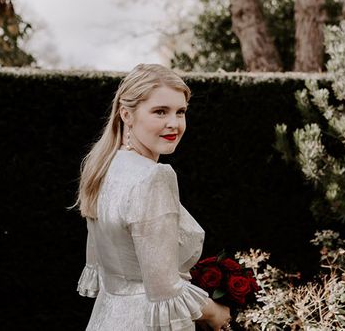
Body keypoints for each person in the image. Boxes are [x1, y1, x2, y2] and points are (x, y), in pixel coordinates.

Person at [75, 64, 232, 331]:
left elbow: (104, 266)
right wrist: (217, 313)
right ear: (126, 114)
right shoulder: (154, 177)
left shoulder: (103, 167)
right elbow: (166, 290)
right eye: (160, 112)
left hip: (107, 319)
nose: (174, 123)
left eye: (180, 112)